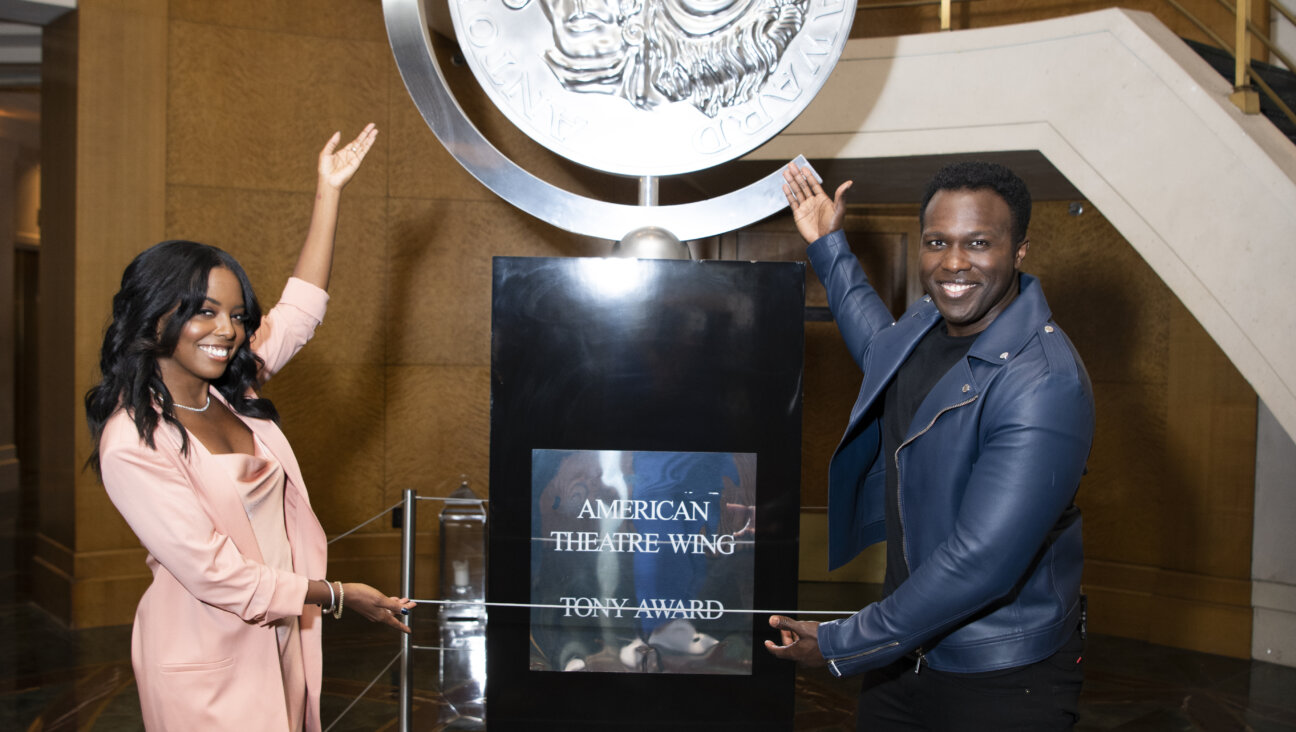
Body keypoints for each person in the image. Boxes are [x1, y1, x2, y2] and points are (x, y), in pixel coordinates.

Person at [85, 124, 415, 732]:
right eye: (203, 312)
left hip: (281, 629)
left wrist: (329, 191)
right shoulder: (132, 441)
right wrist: (337, 595)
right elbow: (216, 574)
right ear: (155, 315)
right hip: (206, 654)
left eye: (236, 315)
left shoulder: (233, 391)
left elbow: (300, 309)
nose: (226, 330)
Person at [766, 161, 1095, 730]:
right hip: (905, 654)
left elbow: (982, 565)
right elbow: (879, 351)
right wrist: (827, 244)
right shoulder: (929, 322)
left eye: (979, 243)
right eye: (937, 241)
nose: (954, 262)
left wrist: (843, 642)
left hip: (999, 673)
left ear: (1019, 251)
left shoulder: (1044, 382)